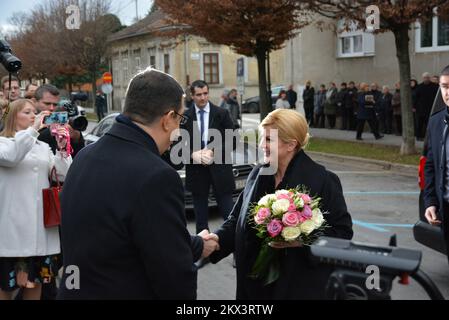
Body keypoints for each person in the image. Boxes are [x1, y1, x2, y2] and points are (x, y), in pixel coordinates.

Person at [57, 68, 216, 299]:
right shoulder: (157, 175)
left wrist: (195, 244)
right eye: (181, 119)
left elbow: (117, 234)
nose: (180, 129)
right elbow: (173, 273)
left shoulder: (85, 156)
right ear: (168, 119)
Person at [204, 109, 353, 299]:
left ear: (291, 144)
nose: (261, 145)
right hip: (253, 286)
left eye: (268, 140)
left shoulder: (323, 180)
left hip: (298, 286)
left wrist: (302, 242)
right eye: (261, 138)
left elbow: (342, 234)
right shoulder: (258, 174)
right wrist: (216, 241)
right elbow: (237, 220)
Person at [0, 99, 72, 300]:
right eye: (27, 112)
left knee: (35, 285)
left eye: (35, 112)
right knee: (6, 287)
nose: (34, 116)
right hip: (11, 230)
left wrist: (62, 149)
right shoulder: (3, 142)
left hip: (40, 229)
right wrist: (32, 130)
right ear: (13, 116)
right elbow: (13, 156)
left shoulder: (41, 146)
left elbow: (63, 174)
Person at [180, 80, 236, 252]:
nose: (203, 97)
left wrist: (213, 151)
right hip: (197, 172)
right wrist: (192, 154)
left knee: (229, 214)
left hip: (220, 171)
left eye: (205, 93)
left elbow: (232, 140)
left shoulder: (222, 113)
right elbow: (177, 145)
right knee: (201, 218)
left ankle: (234, 248)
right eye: (199, 94)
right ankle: (202, 252)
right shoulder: (185, 117)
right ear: (192, 95)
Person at [423, 65, 449, 264]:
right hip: (445, 207)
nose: (448, 93)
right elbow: (431, 165)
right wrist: (431, 201)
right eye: (444, 87)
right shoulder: (436, 121)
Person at [35, 84, 85, 157]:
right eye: (47, 103)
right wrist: (49, 132)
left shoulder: (61, 120)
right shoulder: (27, 118)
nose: (51, 108)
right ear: (35, 102)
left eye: (55, 104)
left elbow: (77, 158)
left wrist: (76, 138)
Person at [415, 72, 439, 140]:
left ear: (429, 78)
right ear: (423, 78)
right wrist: (414, 106)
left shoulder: (434, 86)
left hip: (431, 108)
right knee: (420, 124)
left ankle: (430, 137)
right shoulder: (419, 86)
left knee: (430, 124)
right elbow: (415, 97)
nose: (426, 79)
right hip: (421, 109)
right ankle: (419, 136)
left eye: (427, 77)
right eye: (424, 78)